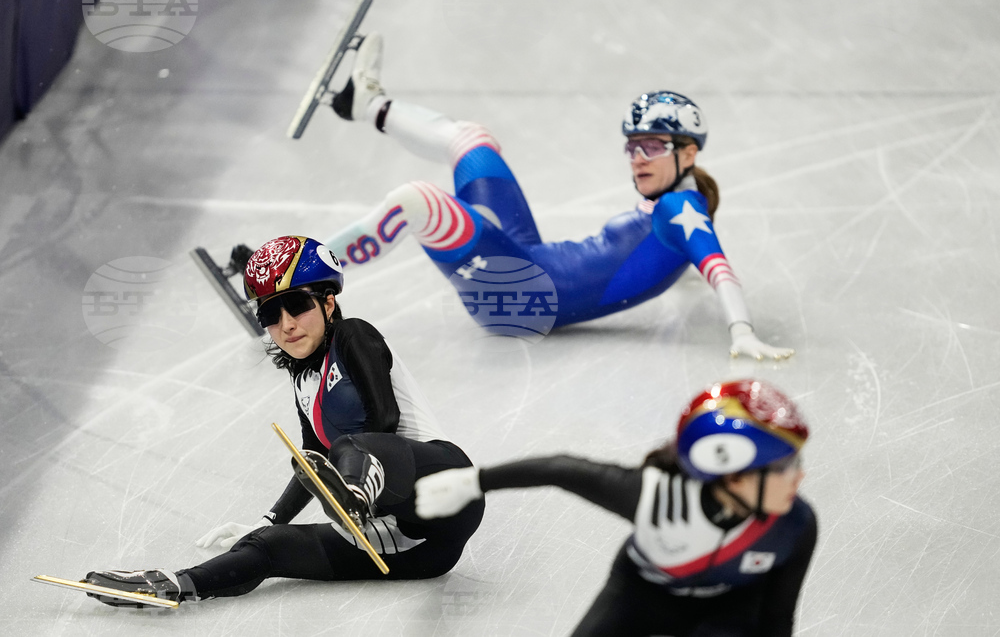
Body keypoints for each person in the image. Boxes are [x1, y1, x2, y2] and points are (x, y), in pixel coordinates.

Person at [316, 32, 793, 359]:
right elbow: (681, 254)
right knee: (471, 140)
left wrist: (743, 331)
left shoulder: (680, 207)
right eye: (632, 146)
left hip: (523, 297)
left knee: (414, 200)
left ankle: (302, 278)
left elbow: (718, 266)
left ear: (688, 153)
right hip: (529, 261)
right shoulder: (677, 204)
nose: (637, 158)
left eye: (651, 146)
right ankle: (368, 102)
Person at [81, 235, 485, 606]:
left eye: (299, 307)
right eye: (271, 315)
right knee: (266, 545)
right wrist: (267, 520)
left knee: (349, 446)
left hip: (445, 485)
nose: (286, 324)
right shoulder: (303, 379)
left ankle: (356, 493)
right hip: (422, 550)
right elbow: (312, 457)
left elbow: (385, 417)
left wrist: (353, 495)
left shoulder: (353, 336)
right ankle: (172, 586)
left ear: (328, 303)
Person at [415, 379, 817, 636]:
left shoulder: (797, 525)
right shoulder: (656, 496)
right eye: (784, 466)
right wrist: (471, 481)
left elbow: (778, 619)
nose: (799, 477)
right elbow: (562, 470)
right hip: (642, 594)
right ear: (732, 475)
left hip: (728, 609)